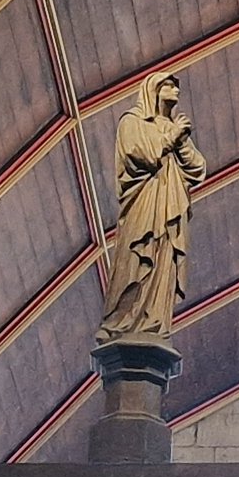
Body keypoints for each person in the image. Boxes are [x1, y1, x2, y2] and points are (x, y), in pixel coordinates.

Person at [97, 72, 206, 343]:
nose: (175, 90)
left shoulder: (173, 127)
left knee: (163, 264)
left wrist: (179, 140)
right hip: (144, 205)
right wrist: (173, 137)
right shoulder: (133, 122)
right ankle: (119, 323)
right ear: (152, 91)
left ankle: (154, 321)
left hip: (170, 207)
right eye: (168, 85)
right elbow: (141, 154)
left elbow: (198, 167)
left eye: (176, 86)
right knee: (136, 259)